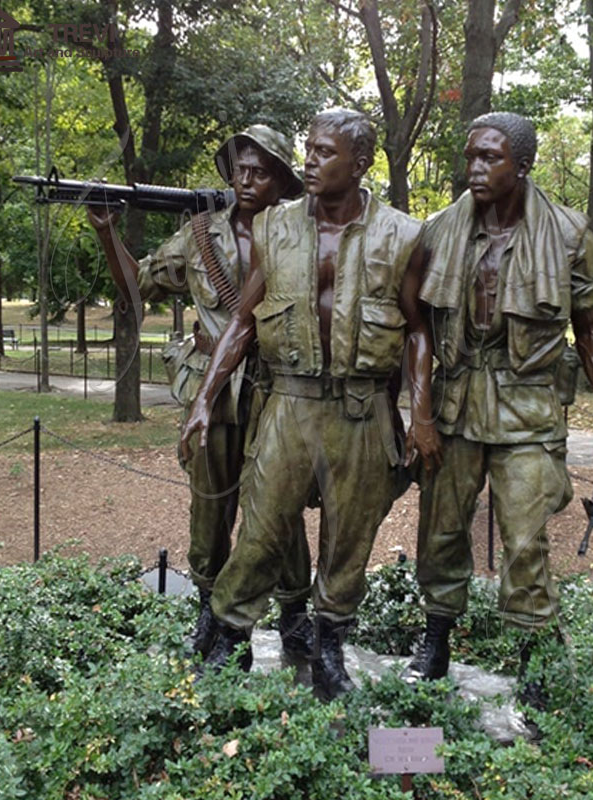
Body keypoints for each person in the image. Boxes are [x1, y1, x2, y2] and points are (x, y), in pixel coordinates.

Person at [180, 109, 441, 699]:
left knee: (349, 540)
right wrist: (204, 399)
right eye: (309, 150)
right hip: (289, 403)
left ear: (359, 162)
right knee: (263, 527)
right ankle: (229, 640)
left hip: (362, 408)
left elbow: (419, 330)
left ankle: (328, 650)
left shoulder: (402, 235)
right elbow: (242, 324)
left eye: (324, 152)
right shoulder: (275, 228)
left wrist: (419, 416)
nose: (310, 162)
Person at [403, 112, 593, 688]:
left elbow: (589, 328)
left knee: (525, 538)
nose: (475, 170)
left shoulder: (566, 234)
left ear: (522, 165)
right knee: (440, 529)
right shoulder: (437, 231)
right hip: (456, 402)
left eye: (490, 158)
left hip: (528, 407)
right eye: (471, 157)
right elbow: (417, 328)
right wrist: (420, 413)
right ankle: (434, 643)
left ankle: (534, 661)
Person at [86, 125, 315, 663]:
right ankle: (211, 612)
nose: (246, 178)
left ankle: (294, 615)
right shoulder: (198, 236)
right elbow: (137, 284)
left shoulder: (297, 235)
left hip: (277, 386)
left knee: (279, 504)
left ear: (281, 179)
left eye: (259, 170)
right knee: (210, 504)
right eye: (239, 168)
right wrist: (106, 233)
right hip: (213, 387)